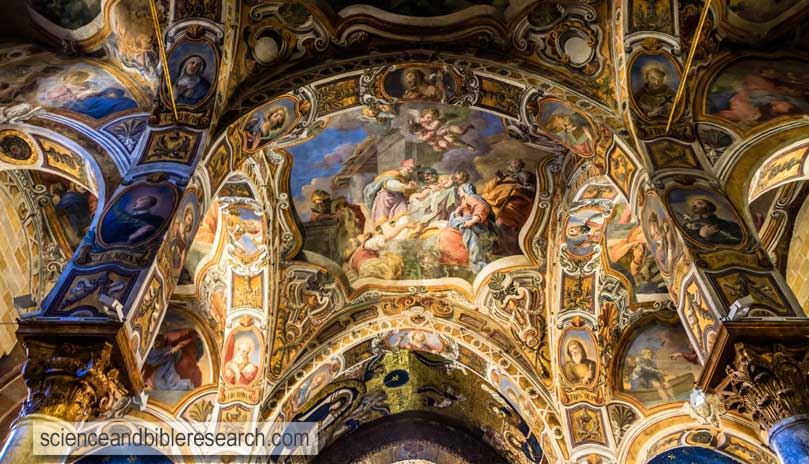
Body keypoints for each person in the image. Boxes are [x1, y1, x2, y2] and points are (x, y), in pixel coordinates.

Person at [482, 159, 537, 255]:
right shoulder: (507, 177)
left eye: (516, 163)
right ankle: (496, 247)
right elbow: (491, 190)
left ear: (521, 165)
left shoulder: (523, 174)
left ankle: (510, 249)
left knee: (503, 222)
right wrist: (498, 181)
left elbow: (532, 189)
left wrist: (519, 187)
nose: (513, 164)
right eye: (512, 163)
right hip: (499, 201)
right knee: (492, 220)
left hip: (514, 201)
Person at [440, 183, 497, 272]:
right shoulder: (465, 200)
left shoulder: (471, 197)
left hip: (477, 225)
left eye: (459, 190)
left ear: (465, 190)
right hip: (468, 221)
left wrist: (471, 222)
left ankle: (477, 261)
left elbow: (481, 207)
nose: (458, 193)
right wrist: (457, 214)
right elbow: (467, 212)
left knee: (467, 232)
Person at [363, 159, 419, 227]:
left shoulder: (407, 179)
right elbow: (391, 184)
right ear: (402, 168)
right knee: (383, 221)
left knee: (402, 214)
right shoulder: (393, 174)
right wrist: (405, 186)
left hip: (398, 200)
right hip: (386, 199)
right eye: (409, 169)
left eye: (412, 170)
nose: (411, 171)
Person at [678, 195, 743, 246]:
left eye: (700, 203)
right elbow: (690, 245)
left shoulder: (729, 224)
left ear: (709, 206)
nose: (695, 206)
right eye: (694, 205)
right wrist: (702, 236)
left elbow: (739, 241)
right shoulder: (689, 226)